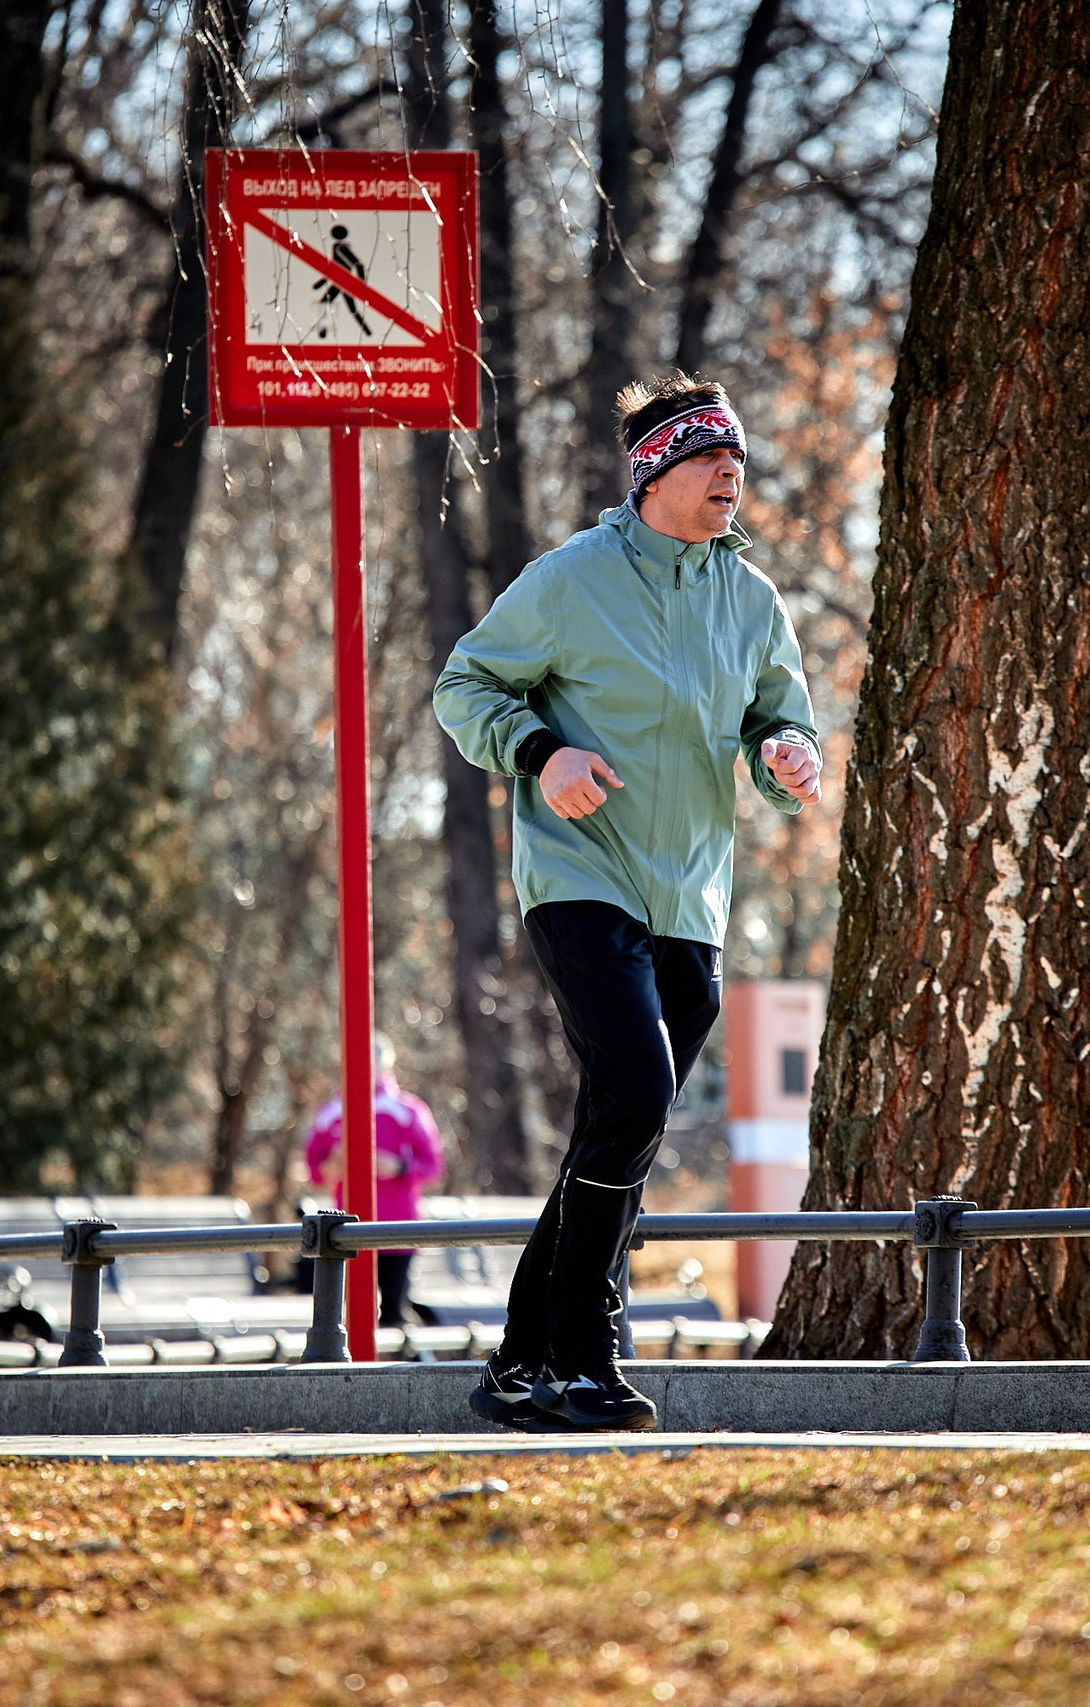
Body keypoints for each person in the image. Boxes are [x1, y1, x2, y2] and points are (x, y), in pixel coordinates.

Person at [434, 373, 823, 1431]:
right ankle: (585, 1351)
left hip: (690, 898)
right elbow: (464, 687)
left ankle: (520, 1364)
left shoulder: (752, 598)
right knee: (639, 1097)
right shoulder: (570, 579)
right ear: (654, 473)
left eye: (737, 466)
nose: (729, 480)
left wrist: (786, 749)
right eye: (710, 462)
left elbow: (780, 716)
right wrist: (539, 750)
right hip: (578, 875)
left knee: (617, 1122)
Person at [302, 1035, 446, 1325]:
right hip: (347, 1230)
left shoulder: (407, 1110)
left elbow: (433, 1165)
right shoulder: (332, 1112)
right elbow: (313, 1166)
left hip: (397, 1228)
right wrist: (333, 1165)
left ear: (385, 1066)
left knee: (393, 1314)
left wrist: (399, 1167)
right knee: (351, 1317)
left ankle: (402, 1366)